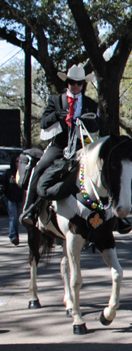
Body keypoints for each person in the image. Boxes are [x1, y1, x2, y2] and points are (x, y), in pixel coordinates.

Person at [20, 65, 101, 227]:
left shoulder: (90, 104)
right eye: (72, 82)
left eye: (79, 83)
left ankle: (113, 214)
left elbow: (96, 125)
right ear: (67, 82)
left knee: (105, 167)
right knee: (40, 167)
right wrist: (56, 115)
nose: (75, 86)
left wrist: (86, 121)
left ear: (83, 84)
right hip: (59, 145)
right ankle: (31, 208)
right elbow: (43, 122)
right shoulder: (55, 100)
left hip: (81, 146)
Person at [1, 153, 24, 245]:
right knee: (13, 217)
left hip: (20, 198)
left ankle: (15, 235)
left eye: (20, 161)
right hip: (10, 198)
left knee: (18, 218)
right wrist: (3, 188)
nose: (19, 163)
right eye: (17, 161)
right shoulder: (8, 172)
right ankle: (13, 236)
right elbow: (3, 183)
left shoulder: (23, 173)